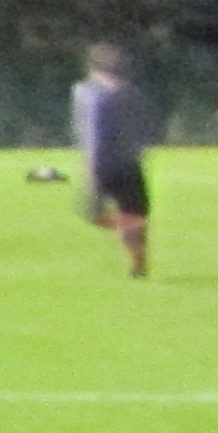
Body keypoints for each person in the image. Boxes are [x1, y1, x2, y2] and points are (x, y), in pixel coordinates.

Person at [73, 44, 151, 277]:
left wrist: (90, 164)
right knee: (133, 209)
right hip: (130, 160)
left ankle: (131, 227)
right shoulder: (129, 91)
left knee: (94, 213)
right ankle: (138, 259)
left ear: (92, 67)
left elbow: (92, 132)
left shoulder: (87, 92)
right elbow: (141, 126)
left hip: (104, 161)